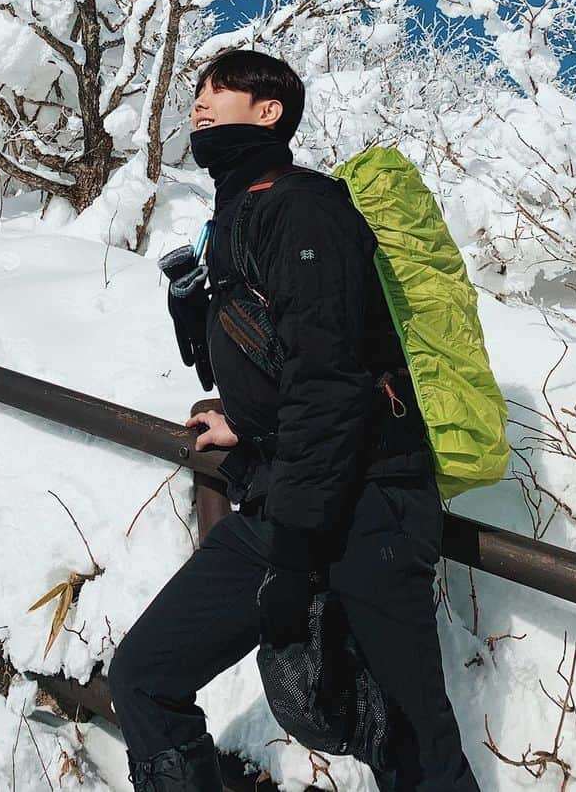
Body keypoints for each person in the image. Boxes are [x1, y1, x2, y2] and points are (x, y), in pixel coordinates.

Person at [109, 50, 479, 792]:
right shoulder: (243, 209)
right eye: (197, 93)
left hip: (367, 505)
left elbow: (334, 379)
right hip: (291, 495)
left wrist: (296, 553)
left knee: (411, 745)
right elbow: (299, 361)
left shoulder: (301, 206)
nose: (200, 104)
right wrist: (247, 426)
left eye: (220, 90)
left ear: (269, 110)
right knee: (145, 674)